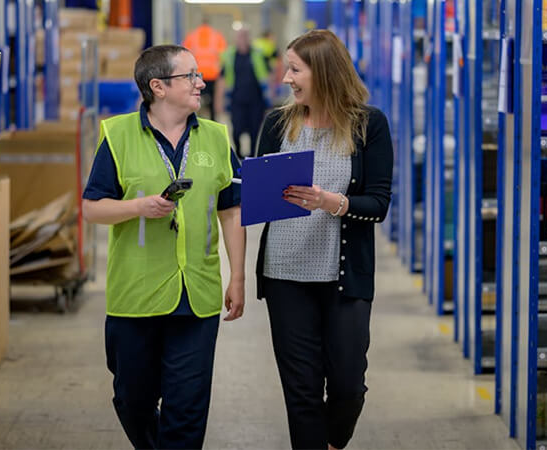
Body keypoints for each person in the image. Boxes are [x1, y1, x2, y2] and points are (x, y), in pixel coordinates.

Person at [82, 44, 246, 449]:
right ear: (158, 86)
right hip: (135, 294)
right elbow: (91, 208)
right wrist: (138, 206)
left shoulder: (215, 137)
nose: (200, 82)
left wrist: (237, 276)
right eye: (189, 75)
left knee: (187, 408)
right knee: (132, 400)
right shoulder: (117, 136)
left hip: (198, 294)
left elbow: (231, 210)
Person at [253, 29, 393, 450]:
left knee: (349, 385)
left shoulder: (370, 125)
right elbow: (259, 198)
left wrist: (332, 201)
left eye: (295, 69)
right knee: (302, 392)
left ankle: (333, 443)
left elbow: (379, 204)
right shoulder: (277, 123)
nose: (286, 78)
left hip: (343, 279)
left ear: (325, 72)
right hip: (285, 275)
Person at [218, 28, 270, 158]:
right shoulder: (230, 55)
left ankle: (252, 157)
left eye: (245, 36)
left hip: (256, 100)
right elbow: (222, 79)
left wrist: (270, 95)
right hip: (237, 100)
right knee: (236, 130)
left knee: (255, 131)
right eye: (240, 36)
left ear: (249, 38)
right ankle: (239, 153)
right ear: (235, 39)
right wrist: (219, 101)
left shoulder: (257, 54)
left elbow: (268, 74)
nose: (242, 39)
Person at [182, 18, 227, 121]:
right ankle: (212, 121)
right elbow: (223, 56)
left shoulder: (192, 36)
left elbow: (185, 54)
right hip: (213, 74)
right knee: (212, 102)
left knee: (195, 100)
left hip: (197, 75)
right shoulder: (217, 36)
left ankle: (194, 121)